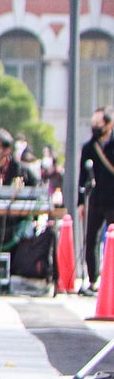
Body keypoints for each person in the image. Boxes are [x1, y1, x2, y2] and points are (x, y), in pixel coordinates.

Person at [81, 108, 114, 290]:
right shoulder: (89, 147)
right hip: (95, 199)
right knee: (91, 239)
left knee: (112, 239)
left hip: (112, 199)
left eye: (99, 124)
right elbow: (82, 176)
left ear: (109, 125)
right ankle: (93, 279)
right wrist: (80, 202)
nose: (95, 127)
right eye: (93, 124)